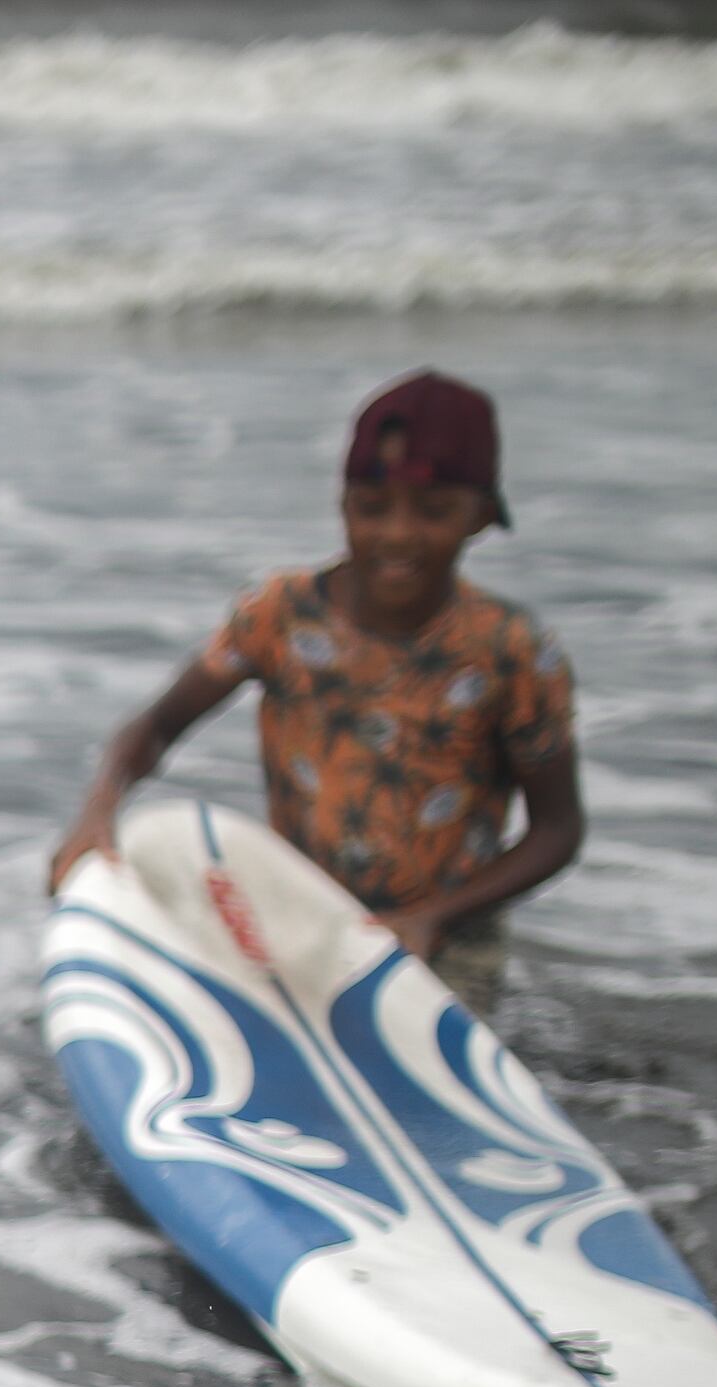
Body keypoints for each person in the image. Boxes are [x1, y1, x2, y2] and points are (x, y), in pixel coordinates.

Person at [47, 369, 580, 1016]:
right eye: (370, 506)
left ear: (483, 515)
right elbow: (155, 727)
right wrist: (97, 809)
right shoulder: (280, 615)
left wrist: (432, 917)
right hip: (292, 918)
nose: (397, 535)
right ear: (342, 503)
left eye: (434, 510)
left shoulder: (511, 650)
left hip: (442, 942)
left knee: (407, 1097)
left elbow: (557, 829)